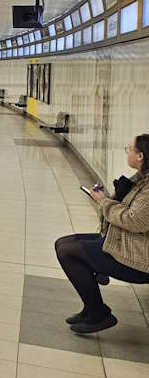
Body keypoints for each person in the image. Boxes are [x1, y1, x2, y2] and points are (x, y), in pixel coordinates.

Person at [55, 135, 149, 334]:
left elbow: (134, 221)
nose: (127, 152)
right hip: (127, 242)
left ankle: (99, 313)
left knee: (68, 253)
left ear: (140, 156)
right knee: (62, 244)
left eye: (130, 149)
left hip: (139, 257)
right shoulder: (142, 181)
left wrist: (103, 202)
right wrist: (110, 198)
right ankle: (92, 308)